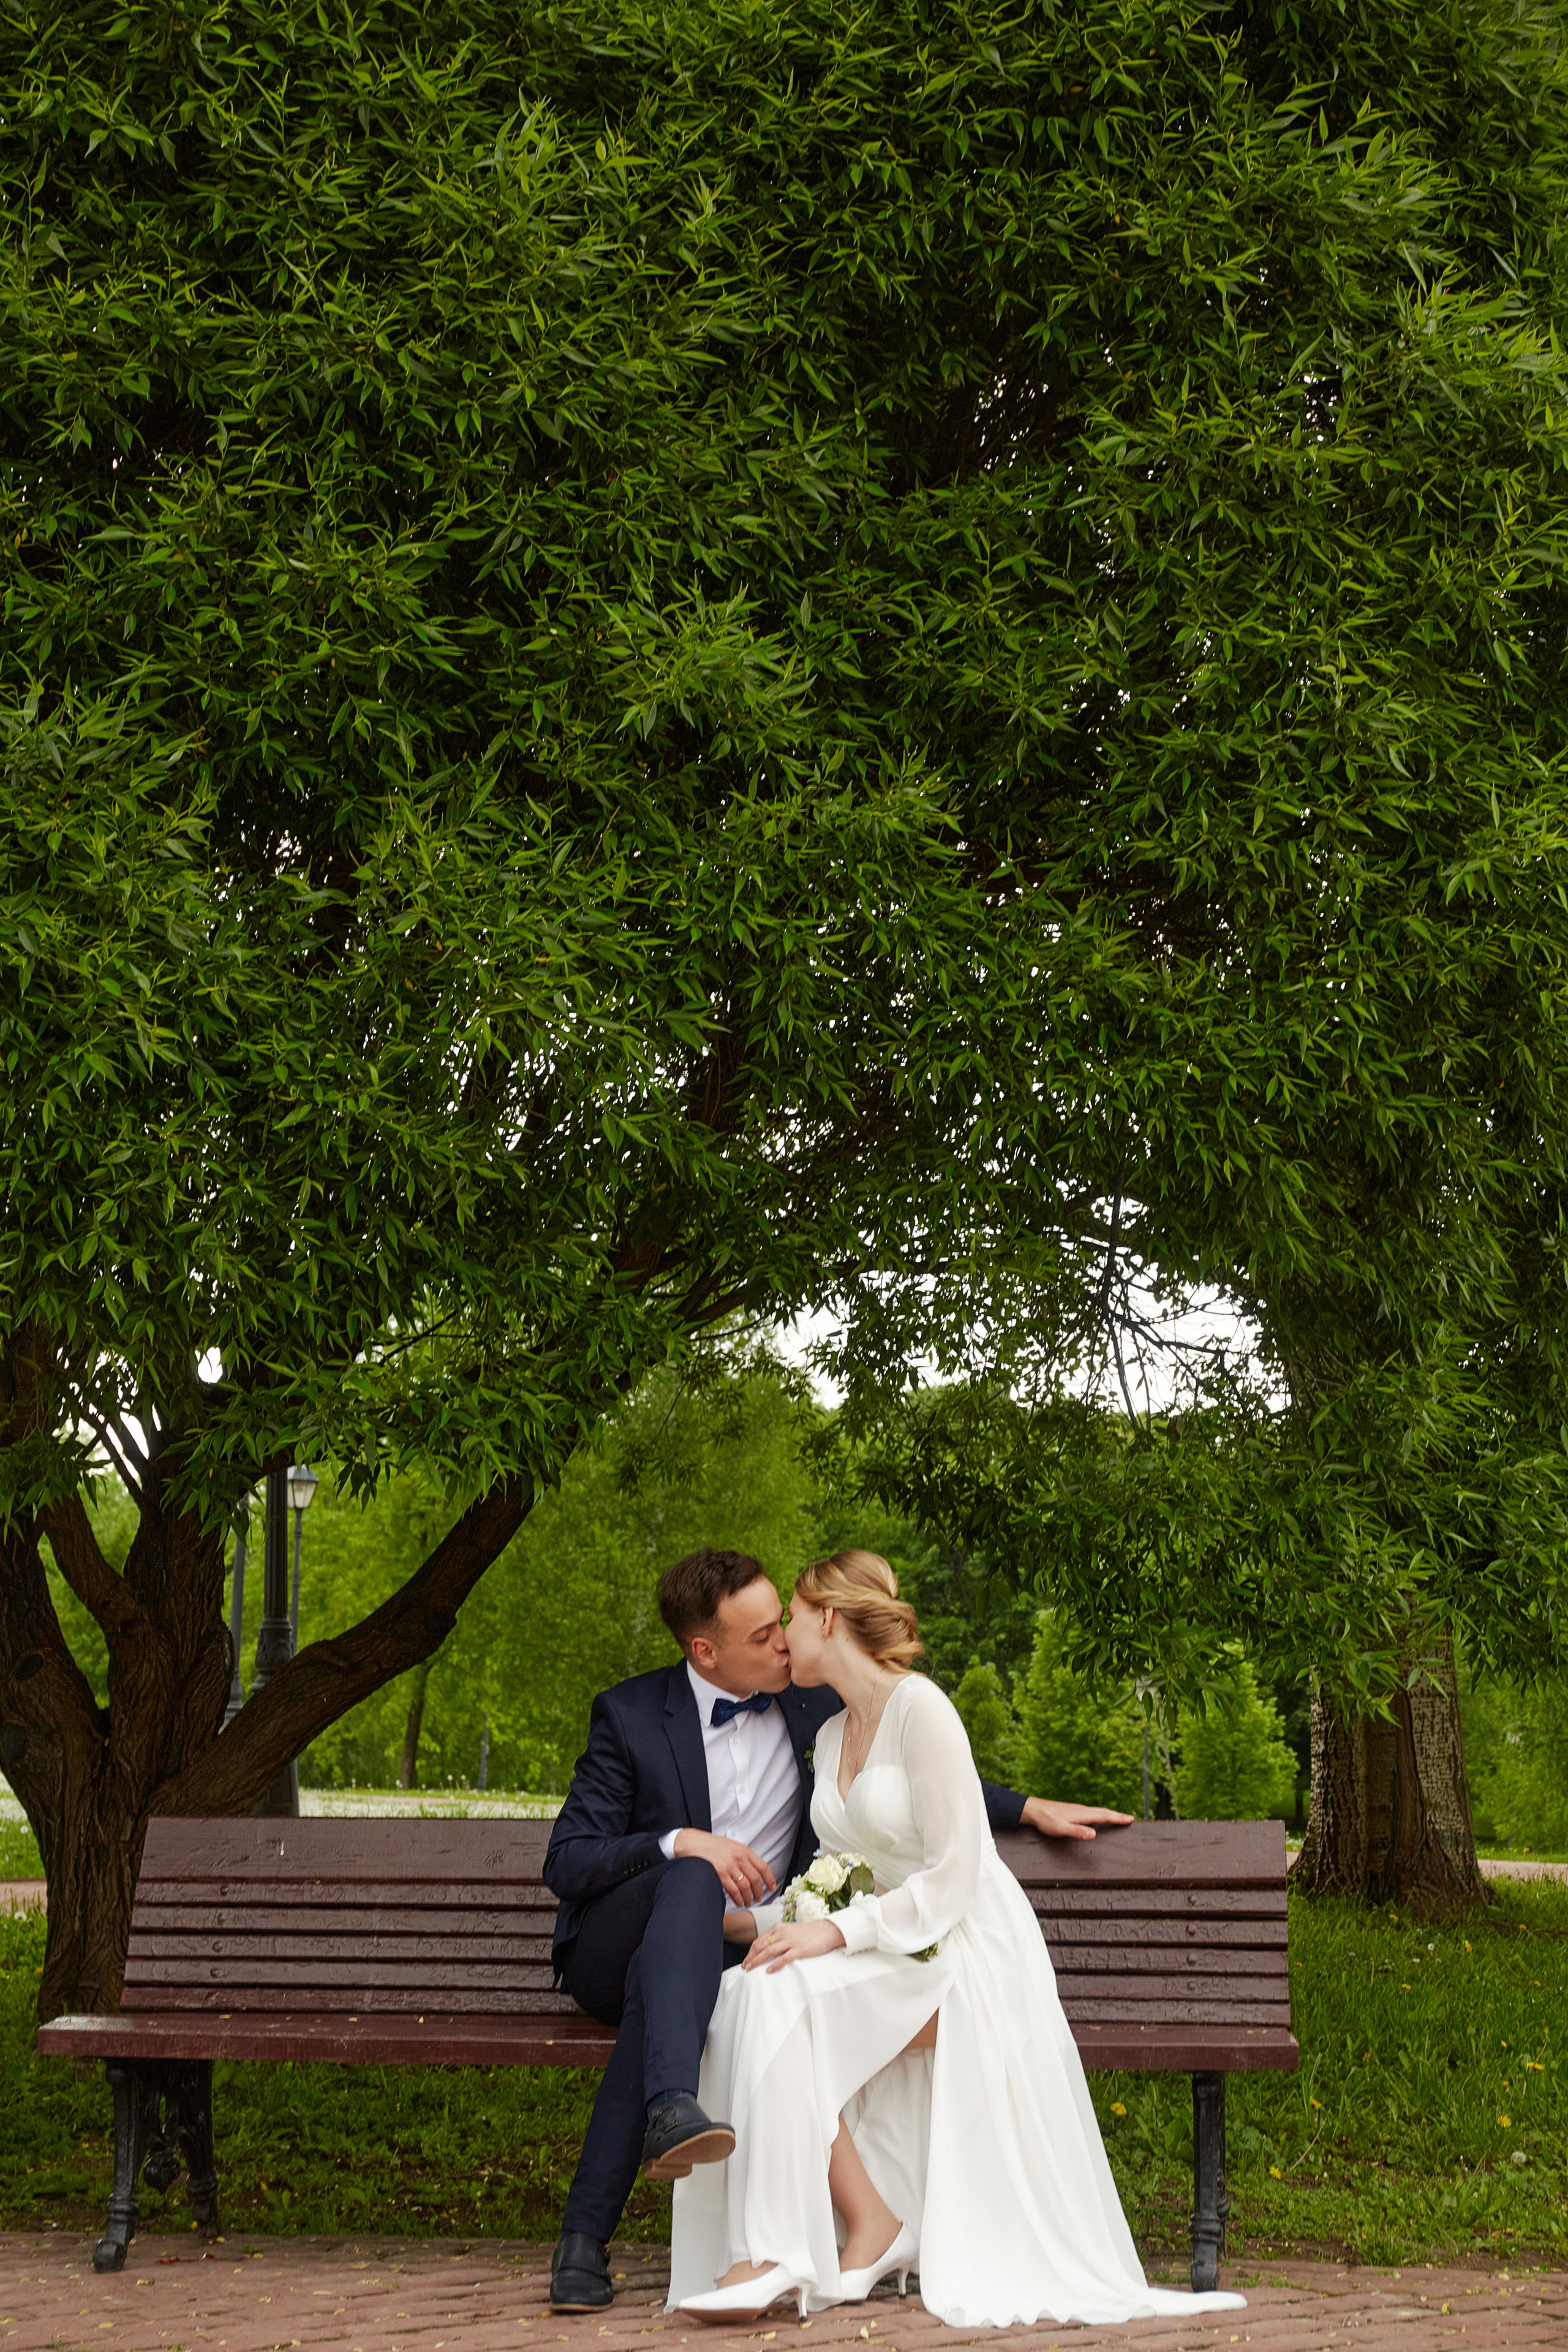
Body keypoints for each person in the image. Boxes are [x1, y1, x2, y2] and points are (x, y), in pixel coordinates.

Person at [543, 1545, 1133, 2314]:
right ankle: (666, 2139)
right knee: (689, 1907)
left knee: (736, 1997)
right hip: (633, 1937)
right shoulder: (630, 1715)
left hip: (762, 1935)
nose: (781, 1644)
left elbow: (913, 1772)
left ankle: (739, 2243)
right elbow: (569, 1860)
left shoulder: (814, 1707)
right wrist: (684, 1842)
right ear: (705, 1651)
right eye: (762, 1635)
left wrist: (1024, 1808)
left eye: (783, 1622)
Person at [668, 1550, 1249, 2331]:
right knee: (746, 1988)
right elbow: (843, 1882)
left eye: (792, 1620)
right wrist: (736, 1925)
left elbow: (953, 1876)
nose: (782, 1638)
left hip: (965, 1949)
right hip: (888, 1943)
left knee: (778, 1996)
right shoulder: (832, 1735)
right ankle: (847, 2229)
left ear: (828, 1619)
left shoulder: (922, 1710)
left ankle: (777, 2255)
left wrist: (833, 1931)